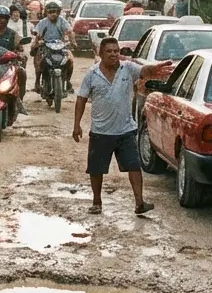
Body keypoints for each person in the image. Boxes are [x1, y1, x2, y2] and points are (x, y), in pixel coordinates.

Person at [73, 37, 174, 216]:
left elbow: (144, 70)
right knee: (96, 169)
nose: (114, 54)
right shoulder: (92, 74)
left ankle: (139, 203)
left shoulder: (127, 69)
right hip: (100, 132)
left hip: (125, 130)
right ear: (101, 53)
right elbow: (81, 99)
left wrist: (155, 69)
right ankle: (97, 202)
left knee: (134, 166)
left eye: (116, 51)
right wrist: (77, 125)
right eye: (109, 51)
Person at [32, 1, 74, 92]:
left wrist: (73, 42)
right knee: (38, 61)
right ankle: (37, 83)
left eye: (54, 12)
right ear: (46, 13)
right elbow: (37, 34)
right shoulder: (42, 22)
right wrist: (36, 43)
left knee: (70, 60)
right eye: (50, 12)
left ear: (58, 12)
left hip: (61, 46)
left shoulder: (62, 21)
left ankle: (67, 80)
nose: (52, 14)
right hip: (45, 45)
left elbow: (70, 32)